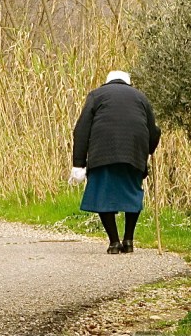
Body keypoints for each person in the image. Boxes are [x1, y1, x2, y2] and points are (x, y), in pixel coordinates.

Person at [70, 70, 161, 254]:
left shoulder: (96, 95)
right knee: (132, 193)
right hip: (134, 152)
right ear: (128, 82)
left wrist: (78, 164)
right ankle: (128, 240)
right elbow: (154, 130)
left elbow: (81, 130)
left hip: (103, 154)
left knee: (103, 195)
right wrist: (149, 150)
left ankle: (113, 242)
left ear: (107, 82)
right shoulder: (140, 97)